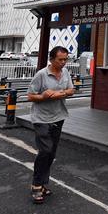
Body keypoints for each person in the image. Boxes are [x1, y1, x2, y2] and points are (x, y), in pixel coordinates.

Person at [27, 46, 74, 204]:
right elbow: (31, 96)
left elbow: (71, 90)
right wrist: (44, 96)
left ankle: (43, 183)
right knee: (45, 150)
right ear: (51, 59)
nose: (63, 62)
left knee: (52, 153)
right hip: (42, 118)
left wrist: (61, 93)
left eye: (65, 59)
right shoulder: (41, 74)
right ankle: (36, 185)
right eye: (60, 59)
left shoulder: (65, 72)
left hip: (58, 116)